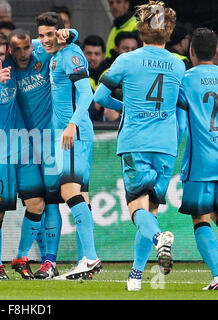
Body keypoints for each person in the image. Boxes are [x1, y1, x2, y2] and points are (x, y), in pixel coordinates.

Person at [94, 1, 186, 291]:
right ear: (168, 31)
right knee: (150, 211)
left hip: (136, 141)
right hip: (166, 144)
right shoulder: (178, 64)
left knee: (137, 208)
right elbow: (182, 103)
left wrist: (125, 106)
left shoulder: (127, 60)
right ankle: (135, 275)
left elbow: (100, 96)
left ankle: (160, 239)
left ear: (140, 28)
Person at [0, 30, 46, 280]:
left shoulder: (12, 65)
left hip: (23, 145)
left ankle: (22, 257)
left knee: (37, 203)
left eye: (2, 53)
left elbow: (32, 44)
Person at [8, 27, 77, 279]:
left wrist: (68, 31)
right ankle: (31, 257)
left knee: (51, 202)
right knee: (33, 203)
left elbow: (72, 38)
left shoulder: (41, 51)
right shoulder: (6, 65)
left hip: (51, 140)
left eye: (26, 47)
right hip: (24, 145)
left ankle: (49, 261)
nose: (23, 53)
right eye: (17, 49)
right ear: (10, 50)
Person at [36, 12, 102, 280]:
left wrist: (73, 124)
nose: (44, 40)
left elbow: (87, 93)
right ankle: (86, 260)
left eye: (50, 34)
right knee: (81, 196)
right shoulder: (54, 53)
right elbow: (25, 43)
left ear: (60, 33)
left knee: (69, 191)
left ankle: (90, 257)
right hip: (66, 135)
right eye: (41, 35)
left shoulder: (72, 54)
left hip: (74, 133)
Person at [176, 27, 218, 291]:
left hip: (201, 163)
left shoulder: (185, 80)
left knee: (201, 217)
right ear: (216, 51)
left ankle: (217, 274)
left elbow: (175, 116)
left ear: (191, 51)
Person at [97, 30, 141, 122]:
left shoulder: (143, 71)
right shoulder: (108, 72)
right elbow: (99, 101)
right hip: (109, 123)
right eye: (125, 48)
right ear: (116, 49)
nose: (130, 52)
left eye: (133, 49)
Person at [82, 35, 106, 122]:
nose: (92, 58)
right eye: (88, 53)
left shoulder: (112, 74)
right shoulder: (75, 76)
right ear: (82, 54)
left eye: (97, 54)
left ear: (104, 55)